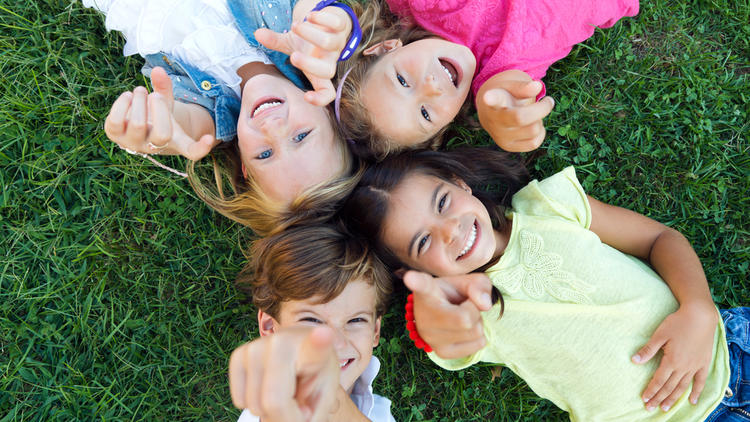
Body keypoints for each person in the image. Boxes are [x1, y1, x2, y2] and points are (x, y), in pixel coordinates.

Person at [340, 147, 749, 420]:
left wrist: (697, 308)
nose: (450, 231)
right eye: (424, 241)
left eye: (444, 202)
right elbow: (438, 333)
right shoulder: (468, 314)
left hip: (728, 350)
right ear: (411, 272)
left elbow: (660, 239)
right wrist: (428, 310)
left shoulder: (548, 206)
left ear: (460, 183)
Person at [83, 0, 368, 235]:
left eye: (265, 153)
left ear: (245, 164)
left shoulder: (215, 115)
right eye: (301, 136)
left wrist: (157, 133)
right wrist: (332, 27)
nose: (272, 129)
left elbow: (185, 129)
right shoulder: (302, 47)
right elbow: (317, 15)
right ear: (330, 114)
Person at [331, 0, 638, 160]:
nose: (430, 87)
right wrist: (501, 115)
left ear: (385, 48)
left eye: (402, 81)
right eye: (425, 113)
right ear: (444, 126)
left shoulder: (424, 6)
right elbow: (503, 92)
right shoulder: (498, 73)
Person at [229, 223, 396, 421]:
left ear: (375, 331)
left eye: (356, 320)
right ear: (269, 327)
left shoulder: (380, 413)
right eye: (311, 320)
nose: (337, 342)